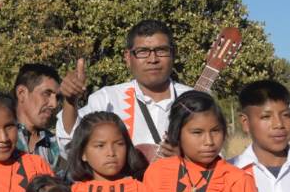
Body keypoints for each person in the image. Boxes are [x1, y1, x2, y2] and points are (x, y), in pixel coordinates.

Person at [58, 19, 192, 156]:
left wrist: (186, 156)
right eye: (142, 51)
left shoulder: (194, 98)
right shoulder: (107, 99)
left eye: (161, 50)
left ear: (173, 54)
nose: (153, 59)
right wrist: (70, 102)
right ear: (128, 58)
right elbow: (70, 146)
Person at [0, 0, 64, 172]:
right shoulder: (2, 135)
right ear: (22, 93)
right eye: (47, 94)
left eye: (57, 97)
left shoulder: (56, 146)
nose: (53, 104)